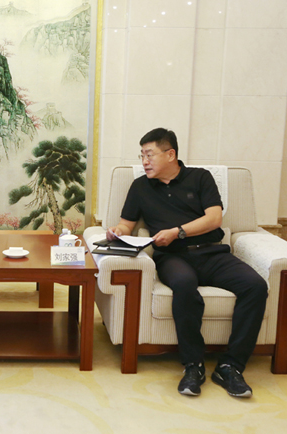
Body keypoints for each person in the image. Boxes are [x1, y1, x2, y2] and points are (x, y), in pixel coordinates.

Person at [106, 128, 267, 398]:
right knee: (183, 284)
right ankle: (193, 365)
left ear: (170, 154)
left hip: (212, 253)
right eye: (141, 155)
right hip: (172, 257)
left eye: (149, 155)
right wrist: (117, 231)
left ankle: (231, 366)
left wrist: (177, 231)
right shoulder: (141, 186)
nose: (144, 161)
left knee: (255, 286)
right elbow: (126, 224)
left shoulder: (200, 178)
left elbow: (214, 219)